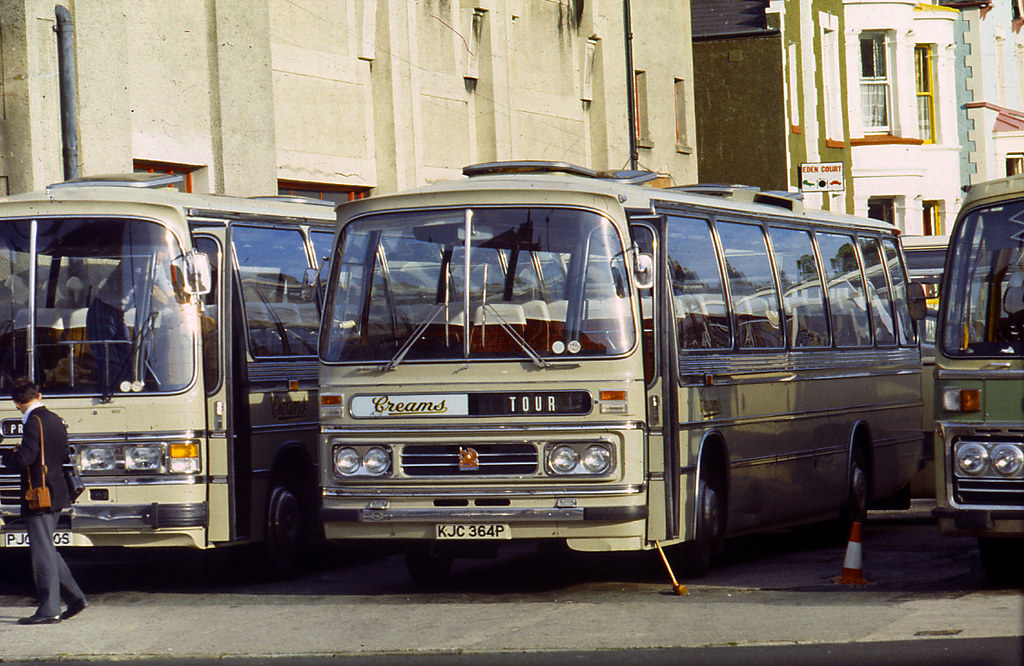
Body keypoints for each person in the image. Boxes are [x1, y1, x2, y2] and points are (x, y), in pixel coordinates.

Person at [1, 378, 88, 624]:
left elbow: (26, 459)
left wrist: (11, 455)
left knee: (41, 554)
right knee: (48, 549)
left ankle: (50, 609)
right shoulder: (56, 420)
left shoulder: (32, 422)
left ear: (17, 402)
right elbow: (59, 454)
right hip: (57, 492)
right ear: (38, 395)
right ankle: (75, 599)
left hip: (38, 495)